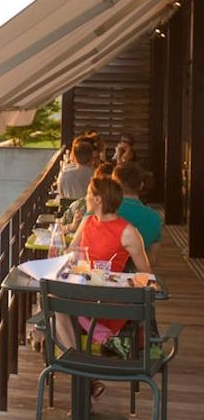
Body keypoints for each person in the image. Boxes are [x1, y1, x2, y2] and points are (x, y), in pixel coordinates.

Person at [61, 176, 152, 399]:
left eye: (89, 194)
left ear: (99, 199)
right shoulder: (87, 222)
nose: (86, 198)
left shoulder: (128, 231)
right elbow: (70, 254)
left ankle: (86, 375)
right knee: (56, 309)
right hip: (85, 295)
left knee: (56, 313)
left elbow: (147, 275)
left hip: (109, 303)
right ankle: (91, 373)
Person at [113, 163, 162, 263]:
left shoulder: (104, 211)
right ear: (141, 185)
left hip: (104, 271)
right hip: (138, 273)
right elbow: (152, 260)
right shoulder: (154, 217)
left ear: (114, 185)